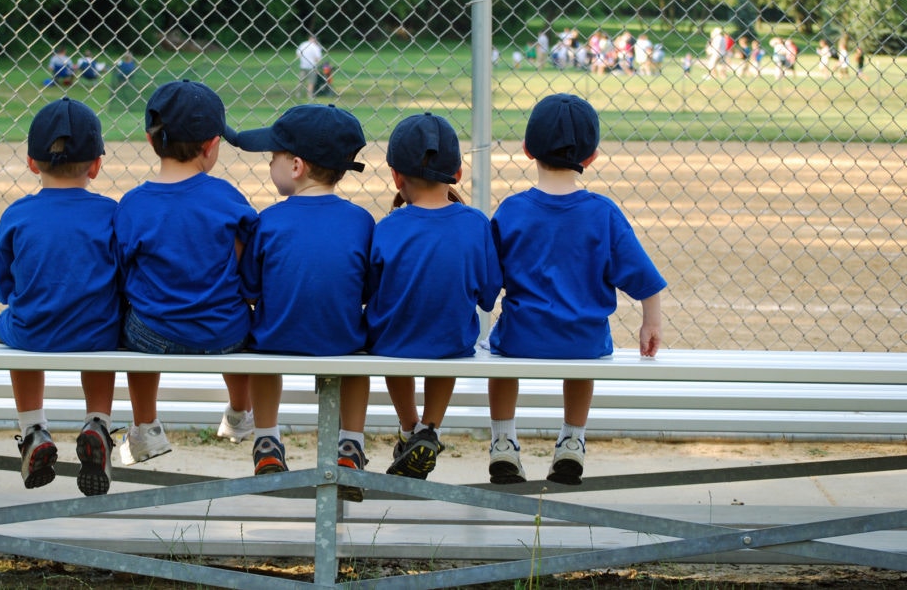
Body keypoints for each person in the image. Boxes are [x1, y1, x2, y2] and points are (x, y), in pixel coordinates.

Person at [486, 94, 666, 486]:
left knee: (497, 355)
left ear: (527, 149)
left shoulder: (512, 210)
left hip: (522, 337)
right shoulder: (603, 213)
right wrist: (651, 320)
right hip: (584, 340)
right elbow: (642, 275)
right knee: (584, 356)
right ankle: (572, 442)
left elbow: (487, 281)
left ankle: (503, 443)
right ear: (593, 156)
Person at [229, 104, 374, 499]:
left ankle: (267, 440)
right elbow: (363, 290)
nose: (269, 163)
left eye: (273, 156)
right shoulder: (361, 221)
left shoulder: (268, 221)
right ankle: (350, 444)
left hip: (276, 340)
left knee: (262, 356)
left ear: (295, 166)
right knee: (358, 363)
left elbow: (251, 289)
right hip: (342, 342)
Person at [113, 80, 257, 465]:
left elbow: (124, 271)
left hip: (153, 335)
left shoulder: (133, 204)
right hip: (225, 333)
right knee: (244, 320)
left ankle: (145, 427)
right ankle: (240, 413)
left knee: (131, 320)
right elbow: (246, 264)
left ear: (149, 139)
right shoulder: (227, 196)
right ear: (211, 146)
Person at [0, 97, 123, 496]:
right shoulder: (112, 213)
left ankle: (33, 428)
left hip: (34, 331)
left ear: (32, 163)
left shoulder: (16, 214)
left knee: (11, 325)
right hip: (98, 332)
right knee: (103, 331)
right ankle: (97, 422)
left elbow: (5, 288)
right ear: (96, 166)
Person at [364, 113, 503, 481]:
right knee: (449, 339)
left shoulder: (387, 227)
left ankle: (410, 429)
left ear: (396, 176)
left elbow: (370, 291)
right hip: (450, 341)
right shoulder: (476, 224)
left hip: (392, 342)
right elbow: (489, 296)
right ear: (457, 173)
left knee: (393, 340)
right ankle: (429, 428)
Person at [295, 35, 323, 100]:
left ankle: (298, 94)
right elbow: (317, 58)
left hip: (303, 66)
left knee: (301, 81)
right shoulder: (316, 47)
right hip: (312, 66)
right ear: (314, 39)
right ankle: (309, 95)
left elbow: (298, 54)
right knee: (311, 82)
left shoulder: (303, 44)